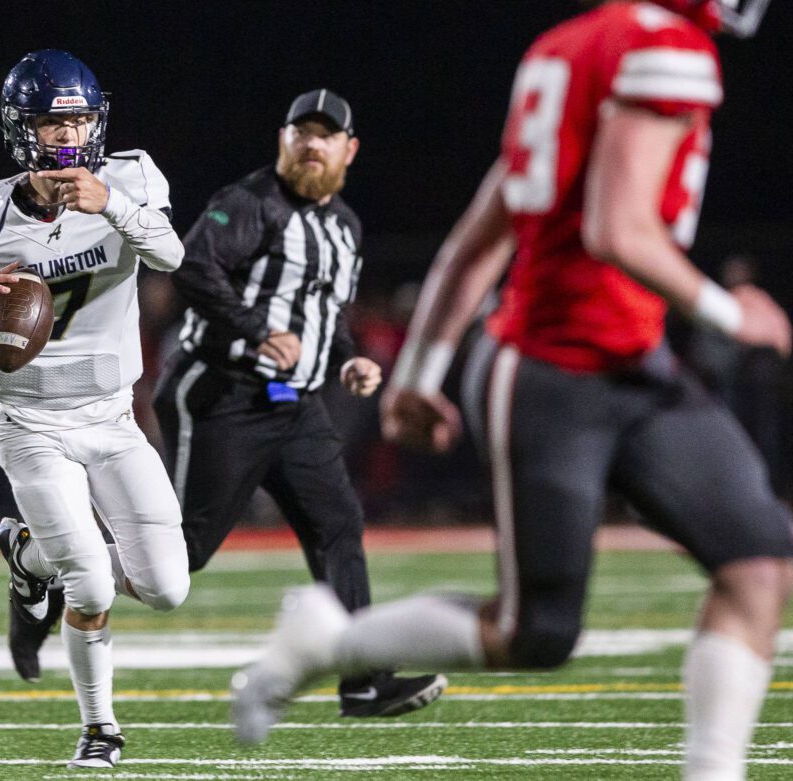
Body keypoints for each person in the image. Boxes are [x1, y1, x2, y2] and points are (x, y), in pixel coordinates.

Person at [230, 3, 793, 779]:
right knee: (536, 632)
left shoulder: (568, 47)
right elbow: (618, 229)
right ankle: (330, 643)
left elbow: (478, 236)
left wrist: (420, 375)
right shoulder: (667, 47)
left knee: (757, 560)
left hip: (635, 360)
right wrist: (735, 313)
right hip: (554, 369)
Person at [0, 49, 190, 769]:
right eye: (51, 123)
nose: (68, 137)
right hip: (32, 426)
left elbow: (171, 256)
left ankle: (26, 552)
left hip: (111, 416)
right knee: (93, 581)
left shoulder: (127, 178)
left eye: (78, 119)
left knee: (167, 586)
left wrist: (116, 207)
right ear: (20, 130)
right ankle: (101, 729)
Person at [151, 89, 445, 717]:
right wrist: (257, 329)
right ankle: (48, 558)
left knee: (339, 526)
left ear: (349, 149)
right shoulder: (249, 203)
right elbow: (193, 268)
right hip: (223, 392)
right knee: (183, 552)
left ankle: (364, 680)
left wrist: (347, 359)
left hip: (295, 404)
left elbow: (324, 315)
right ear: (281, 141)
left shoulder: (345, 226)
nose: (313, 144)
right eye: (301, 132)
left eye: (326, 134)